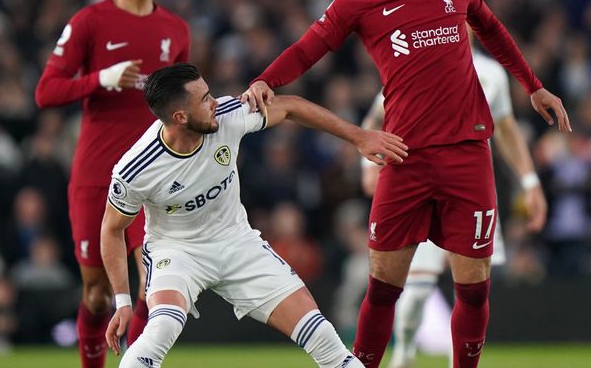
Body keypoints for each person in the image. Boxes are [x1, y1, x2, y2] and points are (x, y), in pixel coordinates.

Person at [240, 0, 570, 368]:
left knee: (474, 291)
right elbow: (310, 46)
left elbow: (492, 30)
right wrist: (268, 78)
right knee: (383, 289)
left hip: (467, 154)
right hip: (404, 156)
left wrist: (533, 85)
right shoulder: (360, 0)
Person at [101, 63, 408, 367]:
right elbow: (112, 230)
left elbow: (290, 107)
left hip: (237, 243)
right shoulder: (136, 170)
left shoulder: (227, 116)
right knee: (161, 329)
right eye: (205, 100)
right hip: (178, 251)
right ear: (180, 117)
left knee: (323, 337)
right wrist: (123, 302)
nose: (215, 103)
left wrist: (358, 137)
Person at [34, 0, 191, 368]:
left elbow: (183, 105)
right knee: (98, 294)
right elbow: (46, 92)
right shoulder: (90, 21)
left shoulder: (175, 30)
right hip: (96, 176)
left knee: (153, 284)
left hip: (154, 177)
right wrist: (100, 78)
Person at [359, 42, 548, 368]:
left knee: (472, 291)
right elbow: (377, 115)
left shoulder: (491, 73)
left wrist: (530, 181)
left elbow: (505, 128)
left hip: (470, 186)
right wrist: (368, 166)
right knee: (415, 290)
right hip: (419, 187)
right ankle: (403, 355)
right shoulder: (415, 58)